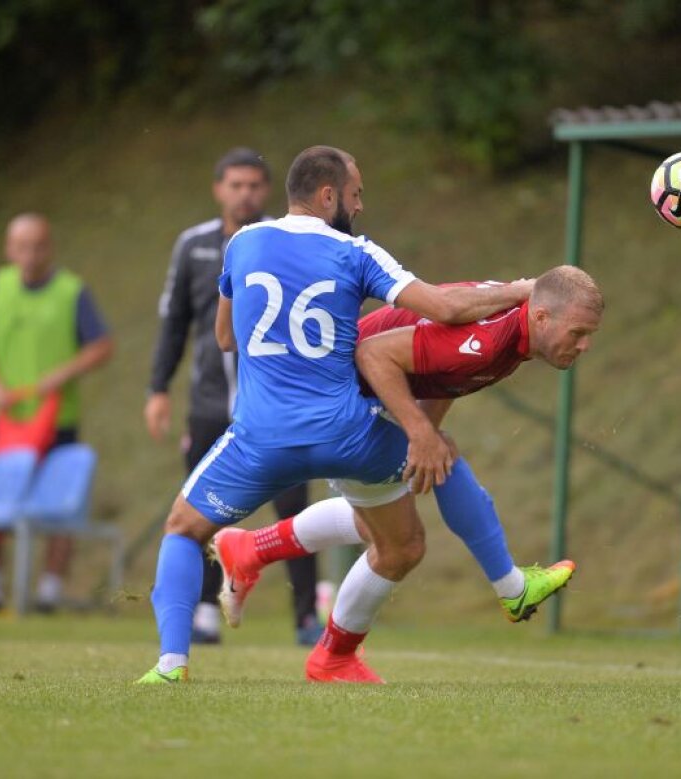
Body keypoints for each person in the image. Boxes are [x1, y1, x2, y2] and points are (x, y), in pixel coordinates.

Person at [136, 145, 533, 685]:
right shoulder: (355, 251)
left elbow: (225, 337)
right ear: (328, 196)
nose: (360, 205)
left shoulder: (242, 243)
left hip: (260, 439)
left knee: (182, 530)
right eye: (356, 194)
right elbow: (445, 308)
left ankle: (170, 666)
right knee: (438, 464)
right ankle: (511, 587)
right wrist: (526, 290)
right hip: (346, 435)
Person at [212, 268, 600, 628]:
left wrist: (425, 432)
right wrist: (422, 435)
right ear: (542, 317)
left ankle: (249, 549)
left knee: (381, 522)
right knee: (408, 530)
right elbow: (373, 354)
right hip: (334, 401)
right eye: (578, 332)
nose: (584, 346)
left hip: (345, 396)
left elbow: (445, 377)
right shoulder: (488, 339)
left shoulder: (515, 333)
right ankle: (511, 588)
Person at [146, 148, 321, 646]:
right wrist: (158, 389)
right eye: (235, 185)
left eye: (253, 185)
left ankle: (305, 616)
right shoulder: (193, 246)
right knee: (197, 509)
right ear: (218, 188)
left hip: (276, 406)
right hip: (208, 404)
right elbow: (173, 324)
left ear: (265, 191)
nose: (244, 193)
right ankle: (202, 611)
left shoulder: (283, 241)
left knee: (296, 511)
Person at [0, 213, 114, 612]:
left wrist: (60, 375)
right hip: (1, 418)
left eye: (38, 246)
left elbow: (101, 345)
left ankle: (48, 591)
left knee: (59, 502)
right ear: (8, 249)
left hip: (56, 419)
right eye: (21, 246)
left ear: (49, 247)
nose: (30, 255)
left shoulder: (71, 291)